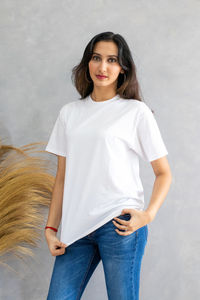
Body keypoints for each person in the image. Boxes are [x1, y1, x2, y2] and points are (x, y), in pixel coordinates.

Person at [44, 31, 172, 300]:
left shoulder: (135, 112)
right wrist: (51, 228)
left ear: (123, 67)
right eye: (96, 58)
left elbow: (163, 173)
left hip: (119, 224)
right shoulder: (69, 113)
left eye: (112, 60)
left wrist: (147, 215)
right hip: (75, 229)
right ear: (87, 63)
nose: (103, 67)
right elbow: (62, 178)